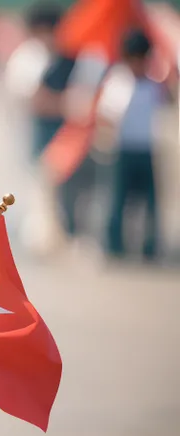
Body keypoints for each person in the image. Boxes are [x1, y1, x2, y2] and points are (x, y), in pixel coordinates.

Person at [96, 29, 174, 262]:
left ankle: (150, 248)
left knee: (151, 203)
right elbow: (107, 116)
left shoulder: (153, 85)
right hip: (123, 149)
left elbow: (168, 103)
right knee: (119, 200)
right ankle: (115, 246)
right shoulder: (118, 83)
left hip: (147, 148)